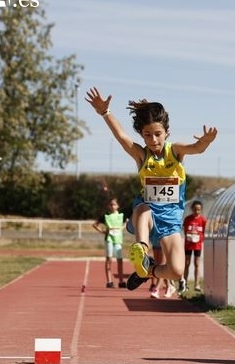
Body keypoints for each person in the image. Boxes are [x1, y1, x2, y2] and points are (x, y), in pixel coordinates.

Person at [85, 87, 218, 291]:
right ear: (142, 135)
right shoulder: (141, 155)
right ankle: (142, 249)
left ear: (167, 132)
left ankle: (147, 271)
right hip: (145, 212)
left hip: (171, 219)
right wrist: (105, 112)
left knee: (176, 271)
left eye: (158, 134)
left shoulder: (175, 151)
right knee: (144, 209)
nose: (153, 140)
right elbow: (121, 137)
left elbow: (196, 148)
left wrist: (205, 142)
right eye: (148, 135)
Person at [93, 197, 128, 289]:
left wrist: (122, 227)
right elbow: (95, 224)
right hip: (109, 239)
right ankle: (109, 281)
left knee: (120, 260)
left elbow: (127, 223)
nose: (112, 206)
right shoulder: (106, 215)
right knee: (109, 260)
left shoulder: (121, 215)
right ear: (109, 206)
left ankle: (121, 281)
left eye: (114, 204)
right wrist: (102, 231)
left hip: (118, 240)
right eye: (111, 204)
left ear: (118, 206)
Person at [181, 200, 206, 293]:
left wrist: (199, 237)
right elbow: (185, 230)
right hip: (188, 244)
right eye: (195, 209)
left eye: (199, 210)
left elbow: (203, 232)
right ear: (192, 209)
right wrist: (190, 235)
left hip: (197, 245)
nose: (197, 212)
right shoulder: (188, 219)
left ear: (201, 210)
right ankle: (185, 283)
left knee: (197, 264)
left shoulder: (203, 220)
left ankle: (197, 284)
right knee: (186, 263)